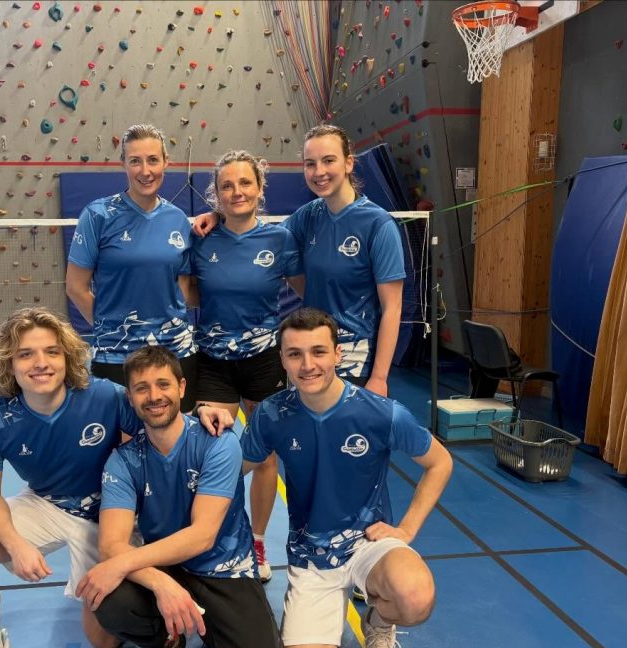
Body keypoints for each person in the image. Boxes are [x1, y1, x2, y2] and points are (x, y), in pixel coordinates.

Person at [0, 307, 232, 648]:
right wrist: (15, 544)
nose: (41, 363)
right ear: (9, 362)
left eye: (51, 352)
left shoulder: (103, 396)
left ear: (67, 357)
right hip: (47, 503)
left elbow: (161, 414)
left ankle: (164, 628)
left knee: (105, 643)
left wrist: (202, 411)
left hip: (112, 512)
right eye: (26, 354)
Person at [240, 307, 452, 648]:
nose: (308, 365)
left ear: (338, 354)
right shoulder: (271, 414)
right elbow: (234, 468)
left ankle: (379, 621)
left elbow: (439, 463)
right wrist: (201, 430)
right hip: (311, 556)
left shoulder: (380, 413)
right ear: (282, 359)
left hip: (368, 543)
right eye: (295, 354)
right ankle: (322, 617)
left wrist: (406, 530)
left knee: (415, 598)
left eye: (318, 352)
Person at [77, 346, 287, 648]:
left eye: (163, 384)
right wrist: (161, 583)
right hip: (166, 565)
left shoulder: (218, 442)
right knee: (109, 601)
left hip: (224, 569)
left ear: (182, 388)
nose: (154, 396)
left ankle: (214, 629)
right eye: (142, 388)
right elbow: (111, 543)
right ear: (131, 398)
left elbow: (202, 536)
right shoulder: (123, 460)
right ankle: (165, 640)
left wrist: (121, 563)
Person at [194, 124, 405, 397]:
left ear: (349, 163)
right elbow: (256, 234)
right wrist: (219, 215)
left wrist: (379, 377)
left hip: (355, 356)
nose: (319, 171)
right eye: (310, 164)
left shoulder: (378, 224)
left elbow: (392, 308)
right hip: (311, 351)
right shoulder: (309, 215)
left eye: (328, 160)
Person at [188, 149, 304, 583]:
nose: (237, 192)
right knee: (214, 452)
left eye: (245, 183)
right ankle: (215, 535)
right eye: (227, 186)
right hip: (213, 362)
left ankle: (256, 541)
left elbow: (308, 290)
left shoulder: (280, 239)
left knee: (265, 455)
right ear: (216, 194)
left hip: (263, 362)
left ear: (260, 188)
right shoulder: (201, 237)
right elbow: (187, 290)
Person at [66, 123, 199, 411]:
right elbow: (76, 287)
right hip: (116, 354)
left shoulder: (177, 219)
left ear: (165, 162)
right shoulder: (98, 215)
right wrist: (109, 329)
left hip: (174, 352)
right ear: (123, 164)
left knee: (177, 433)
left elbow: (182, 290)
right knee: (118, 433)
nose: (145, 170)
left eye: (153, 160)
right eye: (135, 161)